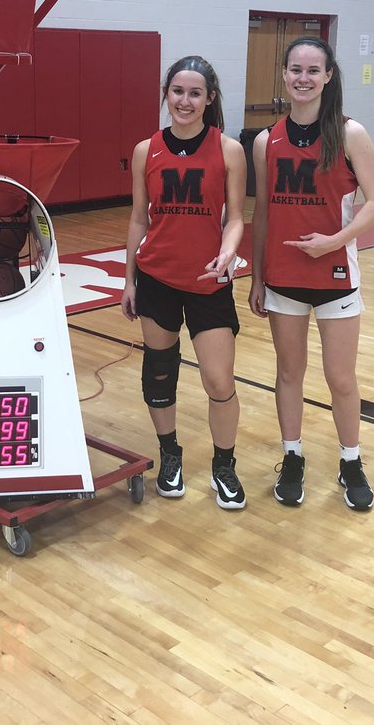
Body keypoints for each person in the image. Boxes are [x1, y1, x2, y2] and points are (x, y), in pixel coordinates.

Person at [249, 37, 374, 511]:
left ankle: (351, 461)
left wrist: (334, 241)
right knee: (289, 373)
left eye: (313, 70)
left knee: (340, 379)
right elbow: (263, 213)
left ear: (329, 76)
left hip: (335, 276)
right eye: (295, 70)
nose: (303, 78)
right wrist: (256, 278)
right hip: (283, 277)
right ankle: (293, 457)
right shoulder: (267, 141)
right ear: (284, 75)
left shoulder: (350, 134)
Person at [121, 56, 248, 510]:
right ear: (166, 95)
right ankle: (169, 453)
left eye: (195, 93)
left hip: (209, 281)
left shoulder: (228, 149)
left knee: (219, 380)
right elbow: (139, 217)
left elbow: (235, 217)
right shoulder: (146, 150)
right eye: (178, 91)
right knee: (160, 374)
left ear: (209, 99)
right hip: (157, 278)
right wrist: (129, 279)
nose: (185, 101)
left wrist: (229, 250)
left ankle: (223, 465)